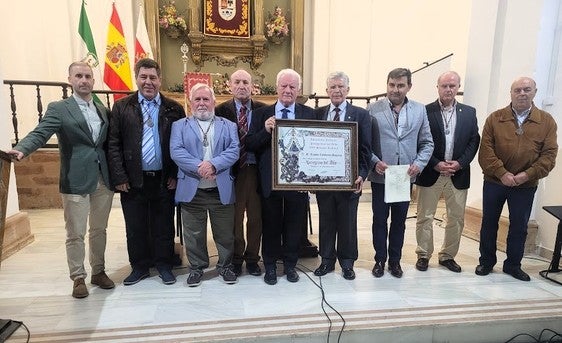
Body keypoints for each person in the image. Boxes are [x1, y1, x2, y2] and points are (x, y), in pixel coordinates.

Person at [7, 61, 115, 298]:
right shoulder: (59, 108)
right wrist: (22, 149)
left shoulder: (102, 110)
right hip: (75, 178)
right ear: (70, 80)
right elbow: (41, 132)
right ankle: (78, 277)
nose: (84, 80)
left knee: (99, 229)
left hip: (102, 179)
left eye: (88, 76)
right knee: (75, 231)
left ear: (93, 81)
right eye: (79, 76)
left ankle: (98, 270)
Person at [107, 58, 185, 286]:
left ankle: (164, 265)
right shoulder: (123, 107)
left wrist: (174, 175)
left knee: (164, 226)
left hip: (163, 179)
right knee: (135, 227)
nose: (148, 82)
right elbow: (114, 144)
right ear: (137, 78)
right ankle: (139, 267)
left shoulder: (173, 108)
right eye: (144, 77)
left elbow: (180, 145)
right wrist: (119, 177)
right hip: (132, 180)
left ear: (160, 80)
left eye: (153, 78)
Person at [476, 77, 558, 281]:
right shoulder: (495, 118)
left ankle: (513, 265)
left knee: (519, 226)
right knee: (489, 223)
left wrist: (526, 175)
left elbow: (549, 155)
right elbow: (485, 151)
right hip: (495, 181)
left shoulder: (546, 121)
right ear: (510, 93)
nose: (522, 93)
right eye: (517, 90)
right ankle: (486, 261)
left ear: (535, 92)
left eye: (527, 89)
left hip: (525, 184)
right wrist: (502, 173)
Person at [246, 68, 316, 285]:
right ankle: (269, 266)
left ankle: (290, 266)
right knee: (271, 226)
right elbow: (249, 144)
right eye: (284, 86)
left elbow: (315, 147)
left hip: (298, 182)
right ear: (277, 88)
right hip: (270, 182)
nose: (288, 90)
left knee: (295, 226)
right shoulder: (260, 114)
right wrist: (265, 131)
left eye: (292, 87)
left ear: (298, 90)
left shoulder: (308, 114)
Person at [170, 83, 239, 287]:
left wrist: (214, 164)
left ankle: (226, 266)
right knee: (194, 234)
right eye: (197, 99)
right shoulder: (179, 126)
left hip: (220, 189)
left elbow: (234, 150)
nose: (202, 103)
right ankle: (196, 268)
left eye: (205, 99)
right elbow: (176, 151)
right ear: (191, 103)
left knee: (225, 233)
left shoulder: (229, 126)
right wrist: (200, 166)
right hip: (193, 190)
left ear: (213, 102)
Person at [368, 68, 434, 278]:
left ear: (409, 87)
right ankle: (379, 259)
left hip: (404, 176)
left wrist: (419, 164)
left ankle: (394, 261)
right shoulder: (372, 109)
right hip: (382, 175)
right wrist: (374, 161)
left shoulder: (419, 110)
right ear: (387, 85)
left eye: (400, 85)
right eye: (392, 85)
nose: (395, 90)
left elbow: (427, 142)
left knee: (399, 221)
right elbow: (364, 142)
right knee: (379, 220)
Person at [414, 71, 480, 273]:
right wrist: (434, 163)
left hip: (457, 174)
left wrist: (460, 163)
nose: (448, 89)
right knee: (425, 216)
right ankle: (424, 254)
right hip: (431, 172)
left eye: (452, 85)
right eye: (444, 86)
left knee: (456, 218)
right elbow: (419, 141)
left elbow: (473, 140)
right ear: (438, 87)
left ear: (458, 87)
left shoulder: (469, 112)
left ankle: (447, 256)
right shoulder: (425, 111)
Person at [312, 71, 372, 280]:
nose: (336, 90)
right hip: (324, 182)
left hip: (350, 182)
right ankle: (327, 261)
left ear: (348, 90)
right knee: (326, 222)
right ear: (327, 90)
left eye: (340, 87)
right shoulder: (318, 114)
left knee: (348, 223)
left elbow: (366, 149)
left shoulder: (361, 115)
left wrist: (362, 175)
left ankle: (347, 263)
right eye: (332, 87)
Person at [215, 69, 266, 276]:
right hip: (231, 172)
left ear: (252, 86)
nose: (242, 85)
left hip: (256, 171)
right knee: (234, 219)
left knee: (256, 218)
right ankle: (236, 258)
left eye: (246, 82)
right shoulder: (220, 111)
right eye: (237, 82)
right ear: (230, 85)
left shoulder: (264, 110)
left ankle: (252, 258)